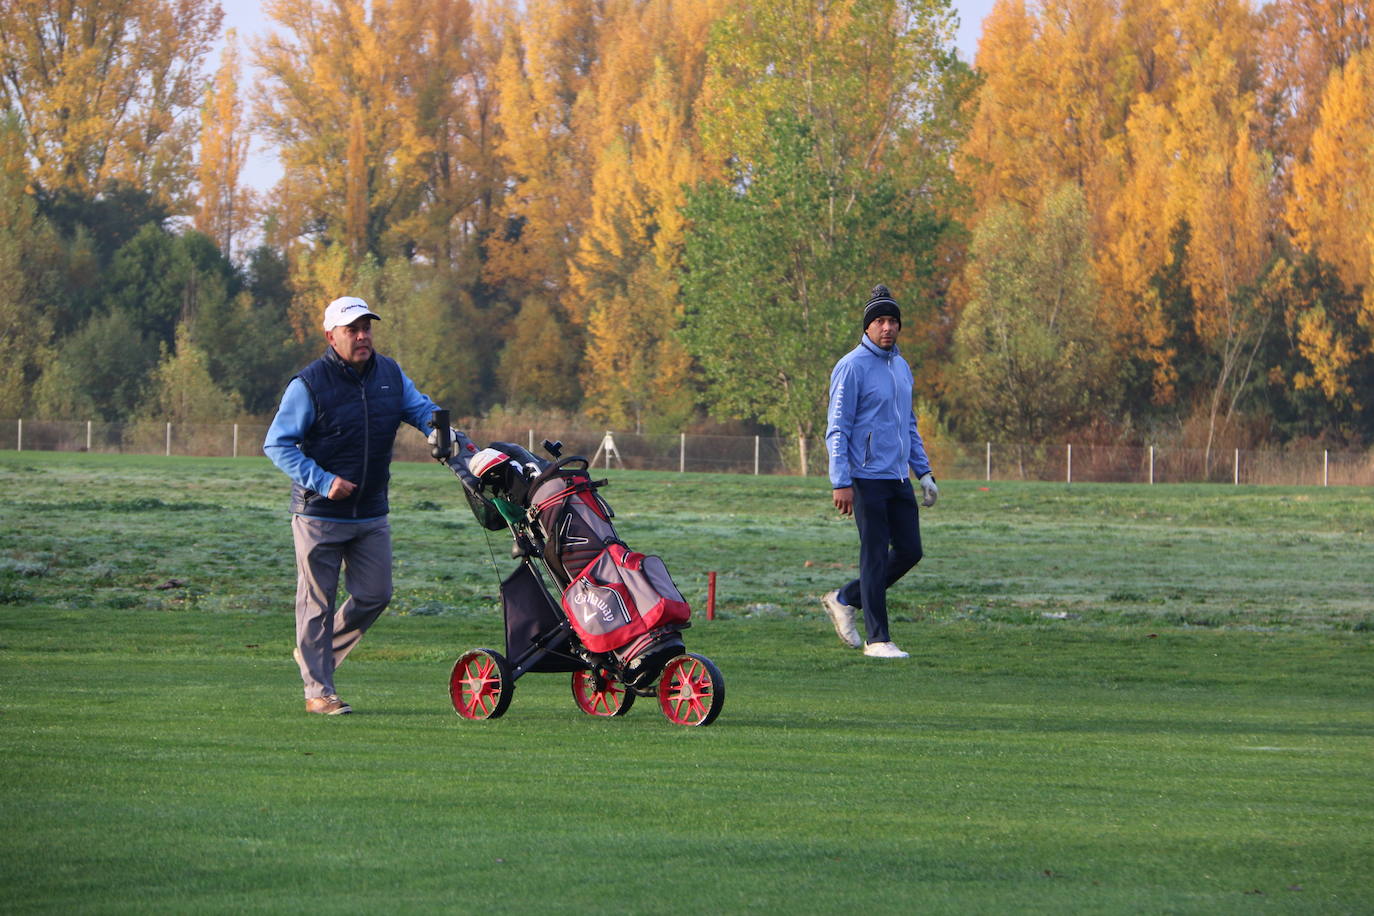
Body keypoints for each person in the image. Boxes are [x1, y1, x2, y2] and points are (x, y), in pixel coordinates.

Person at [264, 295, 474, 714]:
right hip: (318, 512)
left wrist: (456, 440)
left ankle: (313, 656)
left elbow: (423, 411)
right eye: (352, 330)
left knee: (375, 594)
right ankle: (318, 691)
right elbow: (277, 444)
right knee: (316, 603)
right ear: (331, 336)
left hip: (371, 512)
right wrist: (323, 482)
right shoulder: (308, 384)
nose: (362, 336)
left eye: (367, 328)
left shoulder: (390, 374)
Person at [821, 284, 938, 659]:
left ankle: (845, 598)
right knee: (873, 554)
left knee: (909, 551)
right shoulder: (851, 366)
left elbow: (909, 424)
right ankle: (878, 640)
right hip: (865, 477)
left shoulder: (901, 368)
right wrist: (841, 480)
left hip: (898, 477)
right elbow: (837, 428)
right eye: (880, 321)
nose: (887, 327)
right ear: (868, 327)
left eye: (892, 321)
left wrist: (924, 472)